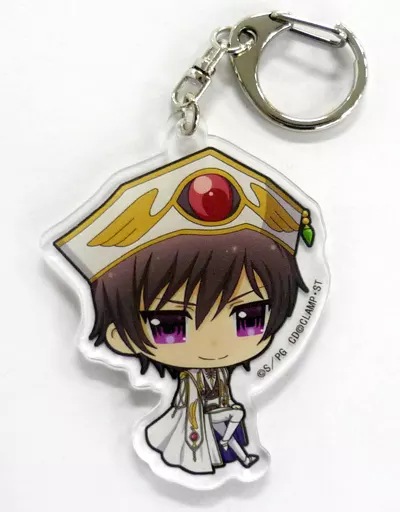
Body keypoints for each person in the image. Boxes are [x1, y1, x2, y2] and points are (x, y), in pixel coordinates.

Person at [55, 148, 313, 474]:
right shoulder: (192, 385)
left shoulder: (221, 379)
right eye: (171, 324)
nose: (214, 344)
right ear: (118, 336)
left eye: (248, 318)